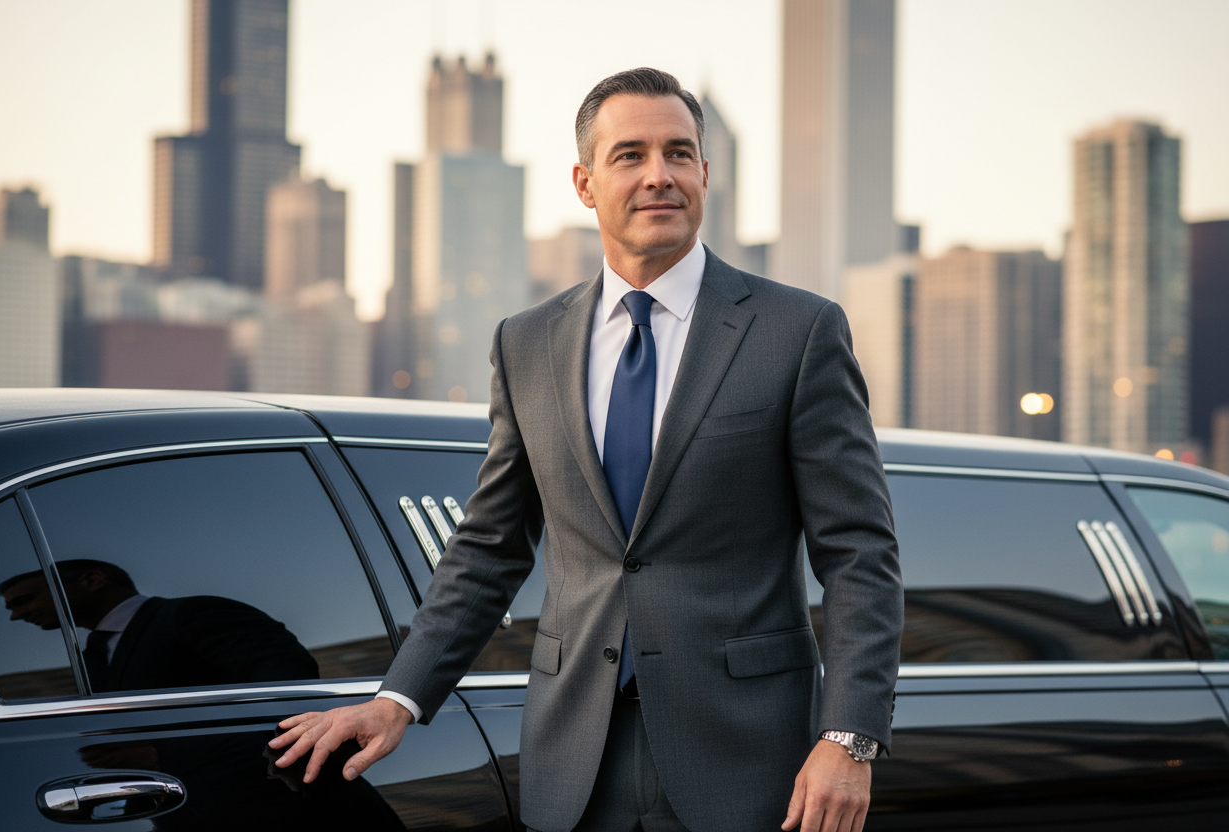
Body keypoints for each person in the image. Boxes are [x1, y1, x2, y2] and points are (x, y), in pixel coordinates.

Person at [271, 67, 903, 832]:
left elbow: (860, 554)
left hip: (750, 760)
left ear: (706, 173)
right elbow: (489, 547)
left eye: (678, 153)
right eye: (630, 155)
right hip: (574, 761)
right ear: (585, 182)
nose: (659, 176)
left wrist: (850, 738)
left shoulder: (796, 332)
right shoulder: (528, 341)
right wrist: (398, 698)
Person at [0, 559, 319, 692]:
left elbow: (289, 684)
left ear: (92, 580)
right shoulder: (92, 657)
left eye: (24, 600)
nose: (15, 615)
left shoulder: (191, 614)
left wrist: (164, 754)